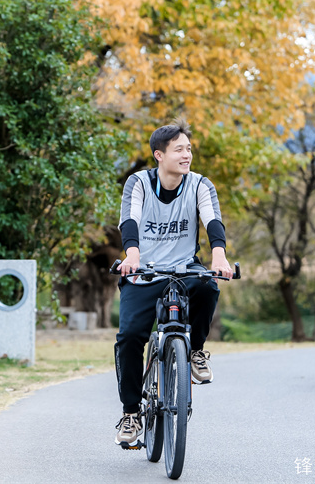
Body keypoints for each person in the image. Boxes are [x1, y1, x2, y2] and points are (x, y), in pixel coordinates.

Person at [113, 118, 233, 448]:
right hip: (144, 272)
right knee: (129, 337)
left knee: (208, 286)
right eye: (179, 149)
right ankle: (131, 413)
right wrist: (132, 254)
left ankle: (195, 351)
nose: (186, 155)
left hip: (184, 269)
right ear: (159, 155)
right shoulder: (137, 183)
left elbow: (212, 220)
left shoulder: (199, 185)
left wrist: (219, 256)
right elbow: (130, 220)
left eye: (189, 149)